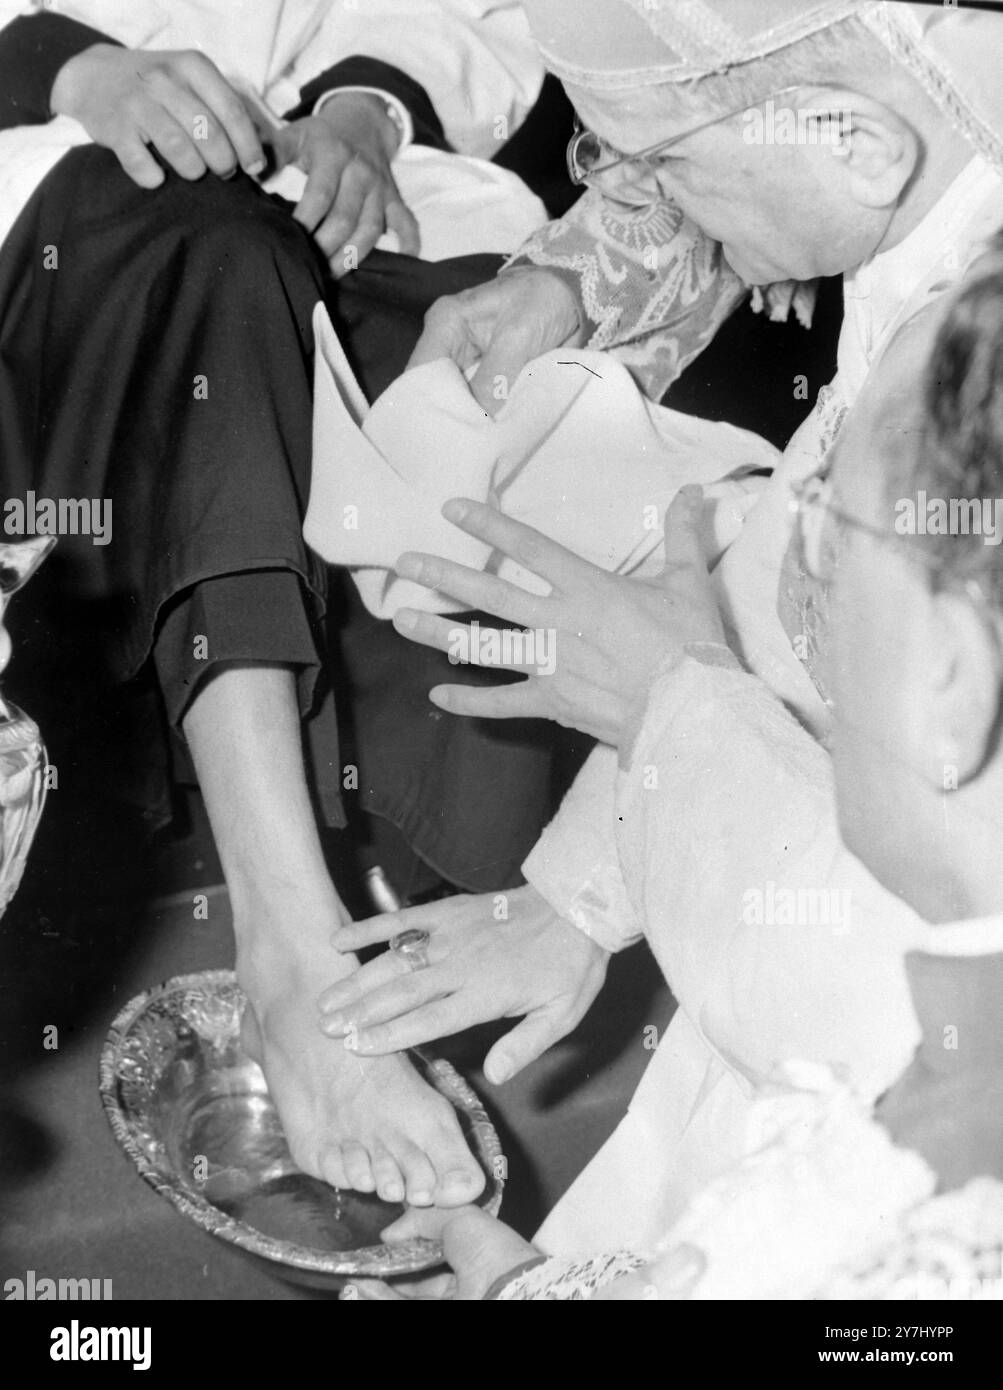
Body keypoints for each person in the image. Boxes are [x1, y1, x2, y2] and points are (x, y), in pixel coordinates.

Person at [314, 0, 1003, 1248]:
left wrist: (669, 708)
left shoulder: (965, 368)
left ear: (855, 137)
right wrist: (582, 890)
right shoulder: (937, 214)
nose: (637, 195)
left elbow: (936, 1023)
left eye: (662, 166)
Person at [0, 0, 589, 1210]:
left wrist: (366, 106)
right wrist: (74, 69)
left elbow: (493, 17)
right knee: (209, 250)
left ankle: (427, 934)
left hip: (339, 201)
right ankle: (296, 951)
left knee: (496, 360)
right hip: (55, 220)